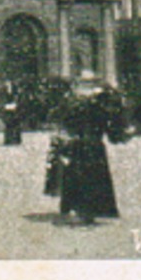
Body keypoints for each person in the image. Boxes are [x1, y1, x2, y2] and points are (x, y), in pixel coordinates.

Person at [53, 90, 127, 226]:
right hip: (95, 147)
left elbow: (68, 125)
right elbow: (112, 134)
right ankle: (92, 211)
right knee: (95, 179)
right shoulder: (102, 112)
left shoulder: (78, 109)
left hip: (78, 146)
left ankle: (78, 209)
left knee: (79, 178)